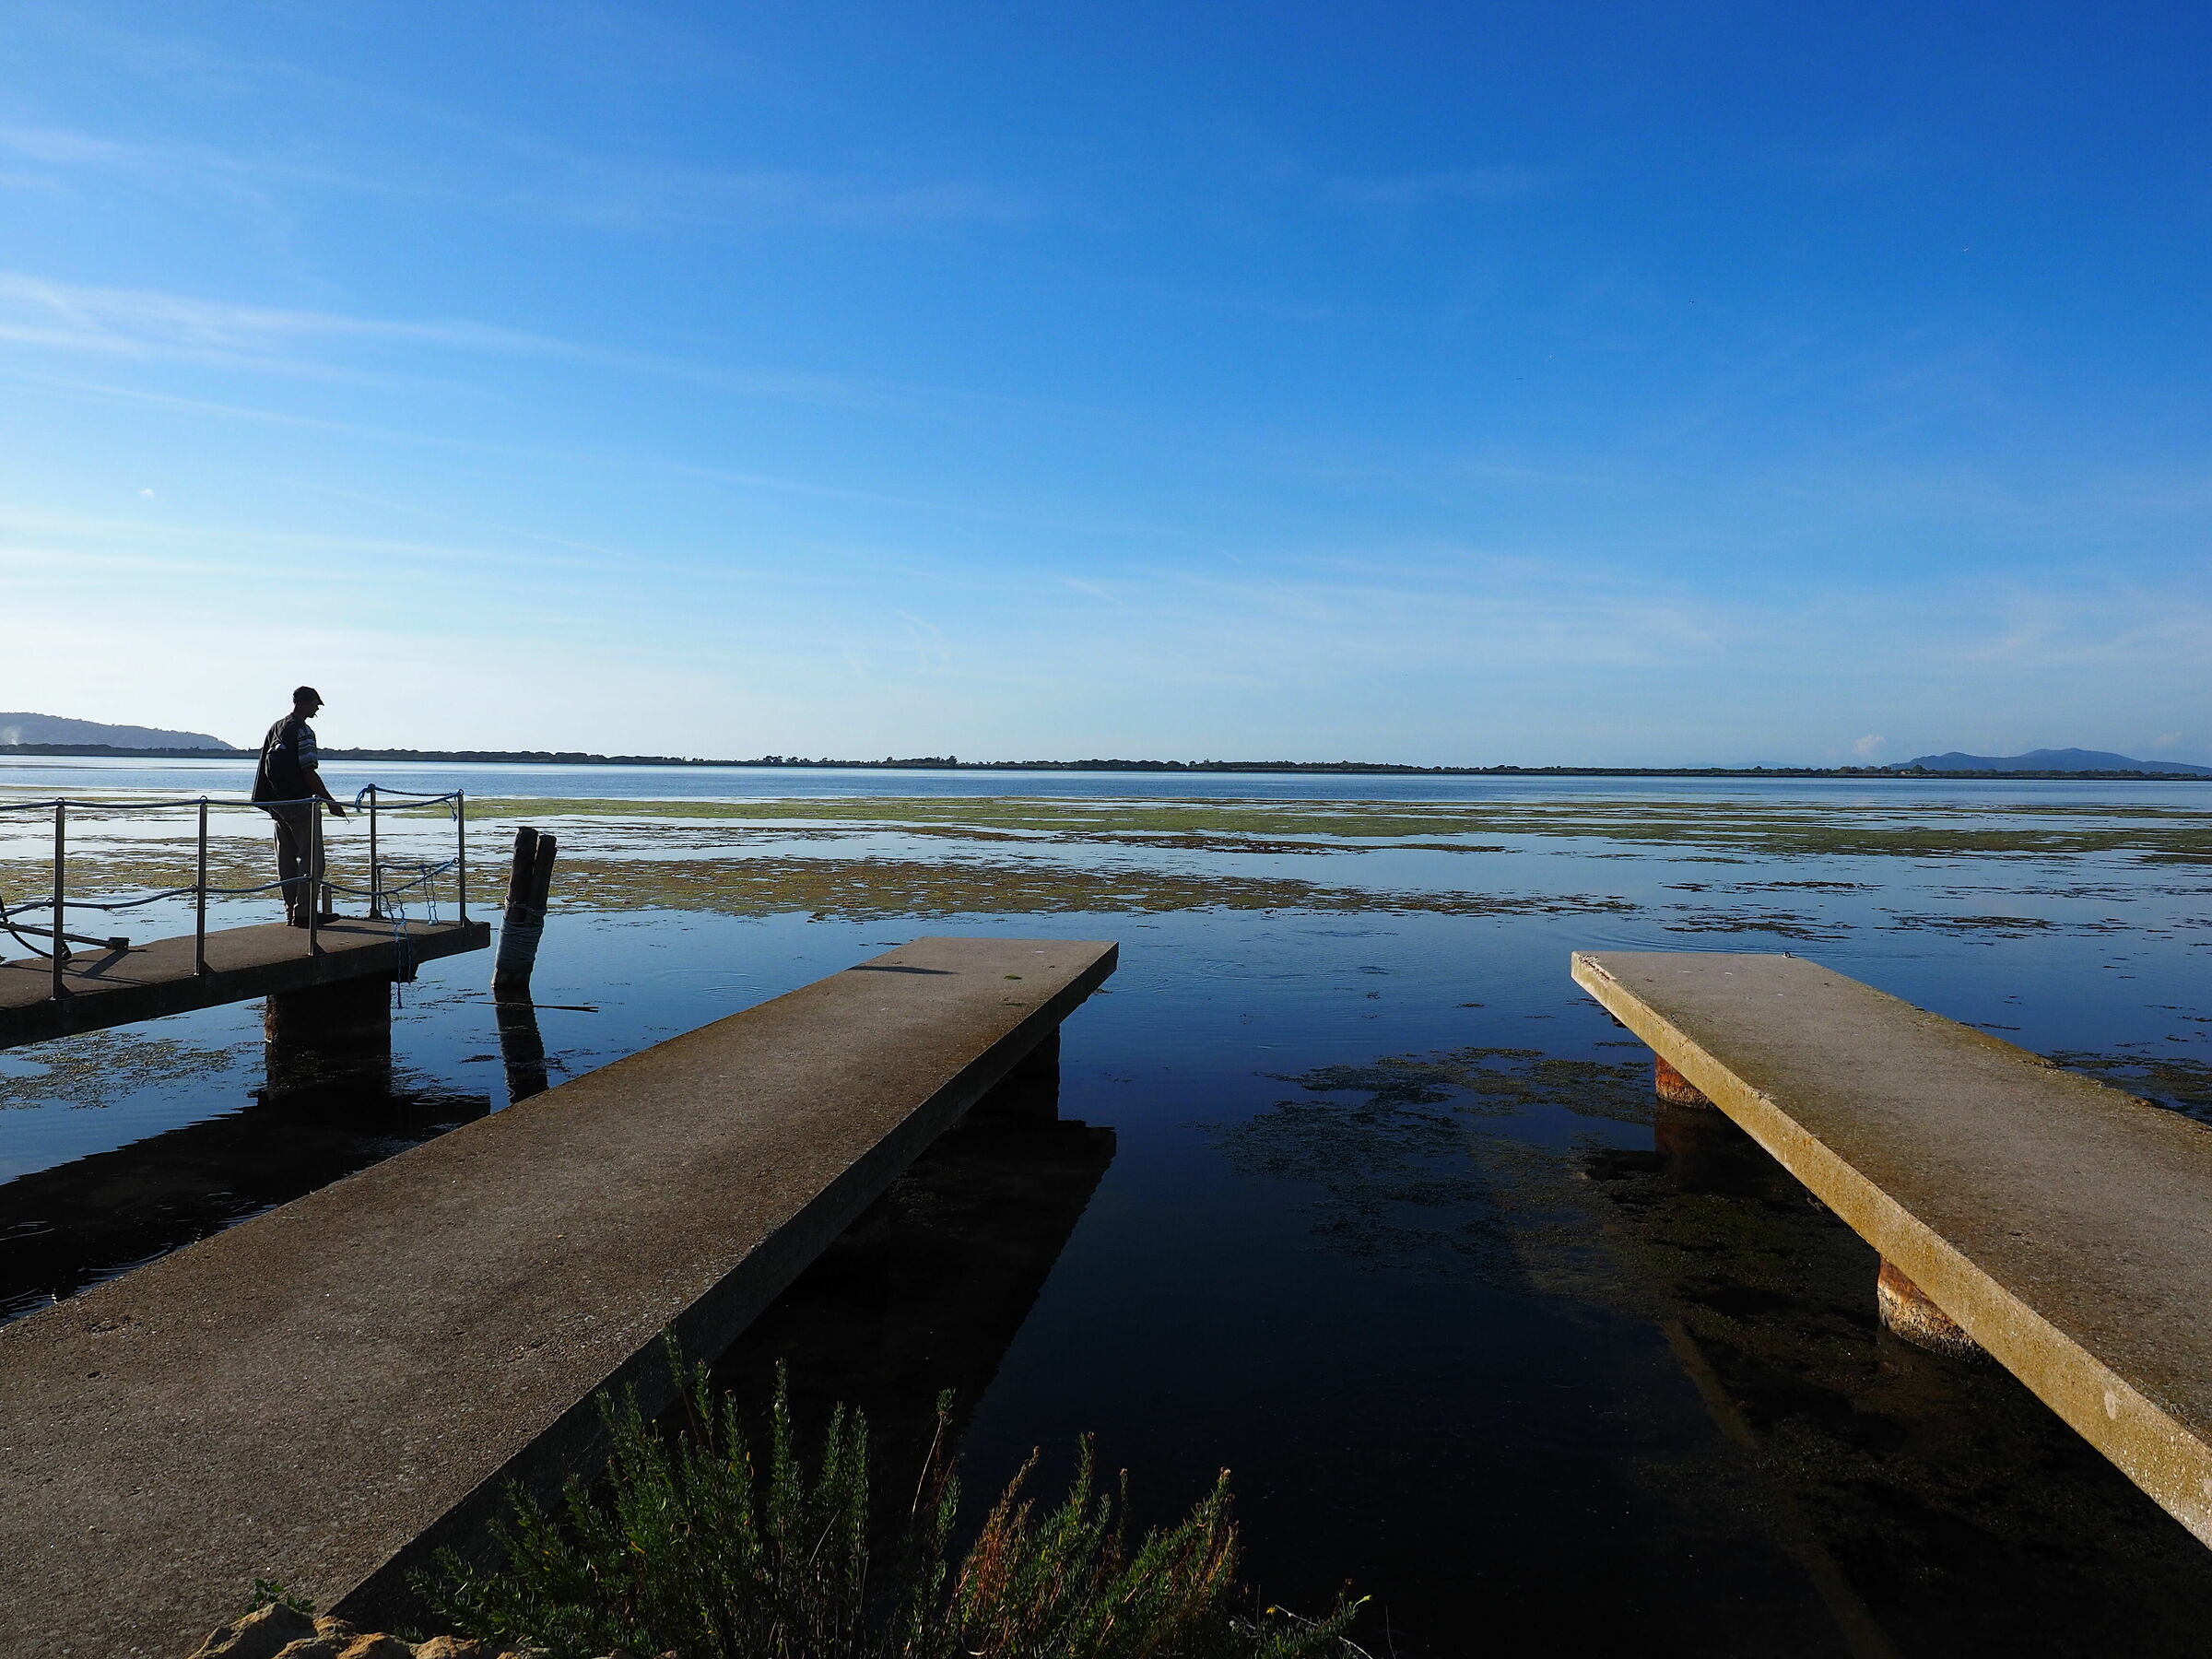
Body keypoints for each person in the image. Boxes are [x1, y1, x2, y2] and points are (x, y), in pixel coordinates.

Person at [252, 686, 346, 926]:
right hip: (300, 803)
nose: (317, 709)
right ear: (305, 702)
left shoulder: (277, 727)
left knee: (285, 859)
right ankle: (304, 913)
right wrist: (329, 801)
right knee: (312, 858)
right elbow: (308, 770)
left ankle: (291, 912)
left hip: (277, 804)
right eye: (316, 704)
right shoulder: (303, 731)